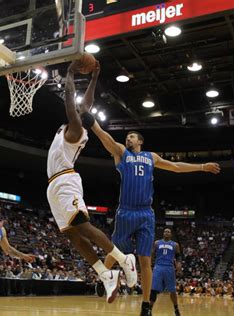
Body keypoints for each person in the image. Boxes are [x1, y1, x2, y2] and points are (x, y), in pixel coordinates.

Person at [89, 119, 220, 315]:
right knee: (116, 252)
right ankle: (103, 278)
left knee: (145, 259)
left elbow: (175, 167)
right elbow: (104, 137)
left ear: (140, 141)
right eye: (127, 137)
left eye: (131, 136)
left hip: (145, 213)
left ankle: (146, 305)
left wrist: (202, 166)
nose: (128, 138)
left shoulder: (151, 156)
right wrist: (92, 124)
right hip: (125, 211)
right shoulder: (121, 153)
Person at [46, 60, 137, 304]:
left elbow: (70, 102)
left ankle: (123, 258)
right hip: (53, 186)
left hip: (66, 181)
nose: (77, 111)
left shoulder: (75, 130)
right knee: (72, 235)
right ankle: (104, 273)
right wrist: (95, 77)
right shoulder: (74, 126)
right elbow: (85, 105)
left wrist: (69, 75)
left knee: (83, 227)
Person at [150, 228, 182, 316]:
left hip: (169, 267)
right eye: (165, 231)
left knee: (172, 290)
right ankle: (149, 309)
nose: (167, 233)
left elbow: (178, 256)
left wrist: (179, 264)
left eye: (168, 232)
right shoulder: (157, 243)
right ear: (163, 233)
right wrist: (150, 265)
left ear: (171, 234)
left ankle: (176, 309)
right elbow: (152, 254)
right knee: (153, 289)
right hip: (158, 266)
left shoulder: (175, 245)